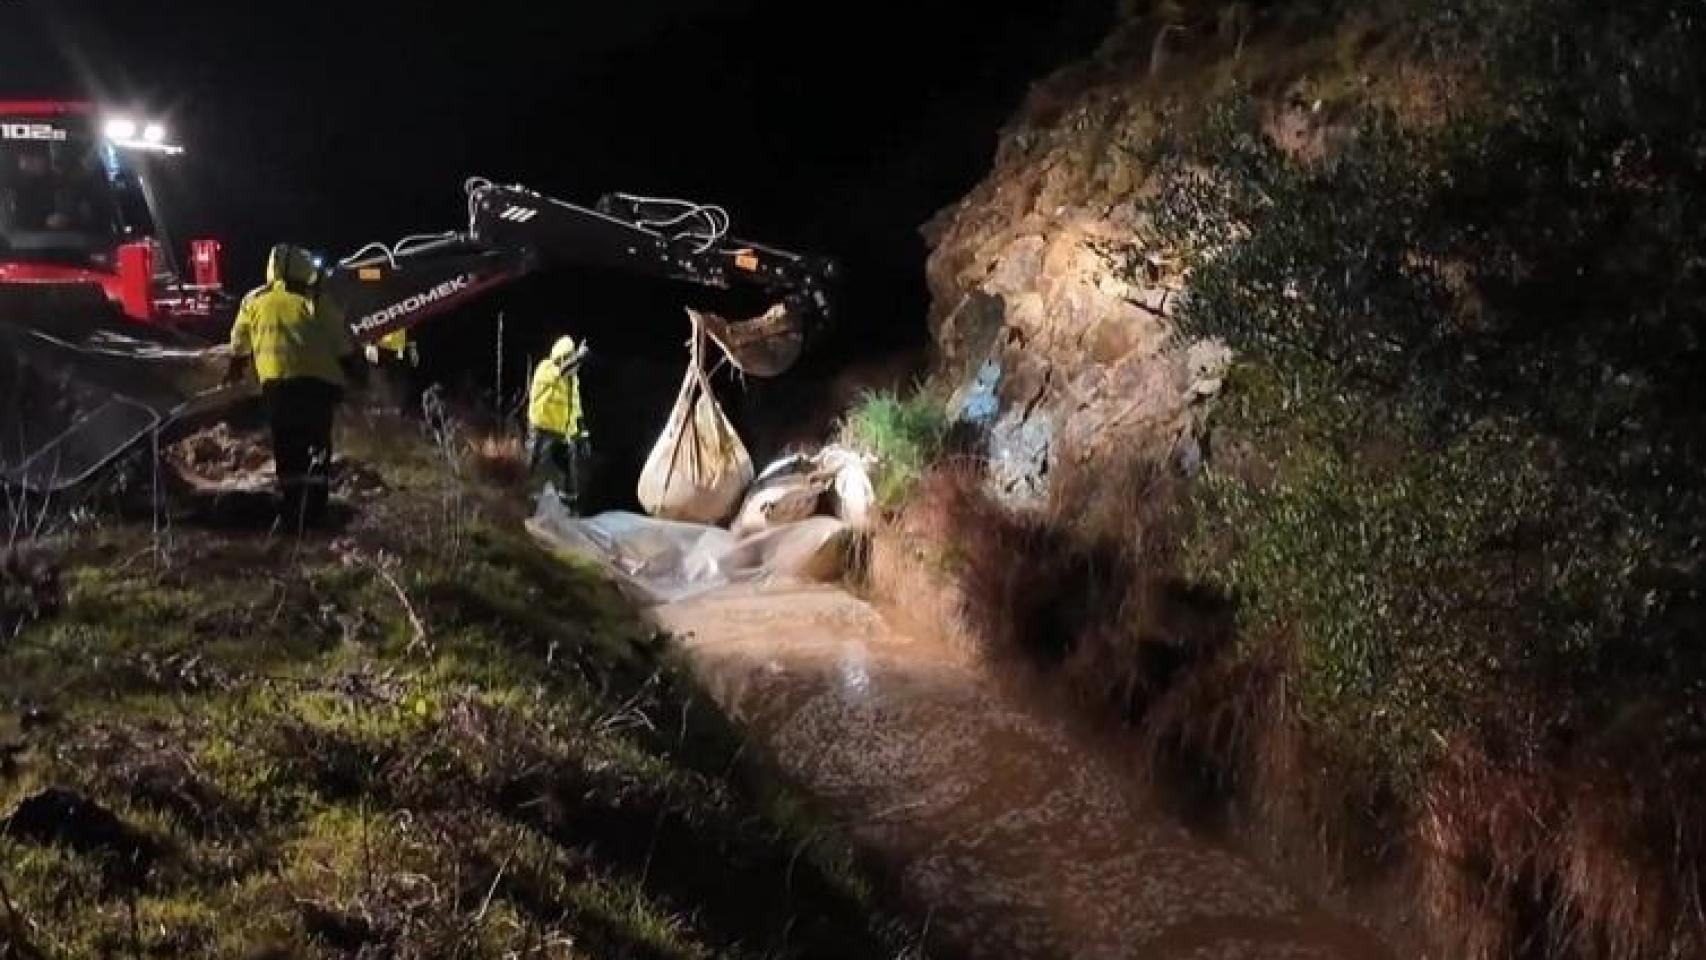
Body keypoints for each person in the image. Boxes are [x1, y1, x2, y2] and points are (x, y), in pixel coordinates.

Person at [225, 244, 360, 530]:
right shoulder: (314, 300)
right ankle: (315, 509)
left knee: (287, 447)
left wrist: (235, 370)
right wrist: (356, 373)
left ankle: (291, 509)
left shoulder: (253, 300)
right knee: (317, 445)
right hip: (317, 387)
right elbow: (340, 342)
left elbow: (239, 342)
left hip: (277, 388)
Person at [528, 335, 590, 511]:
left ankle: (570, 507)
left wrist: (582, 435)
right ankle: (525, 504)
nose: (576, 367)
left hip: (563, 433)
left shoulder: (573, 380)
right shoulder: (546, 368)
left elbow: (576, 408)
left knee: (569, 469)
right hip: (543, 429)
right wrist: (578, 356)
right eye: (572, 360)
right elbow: (560, 372)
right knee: (534, 464)